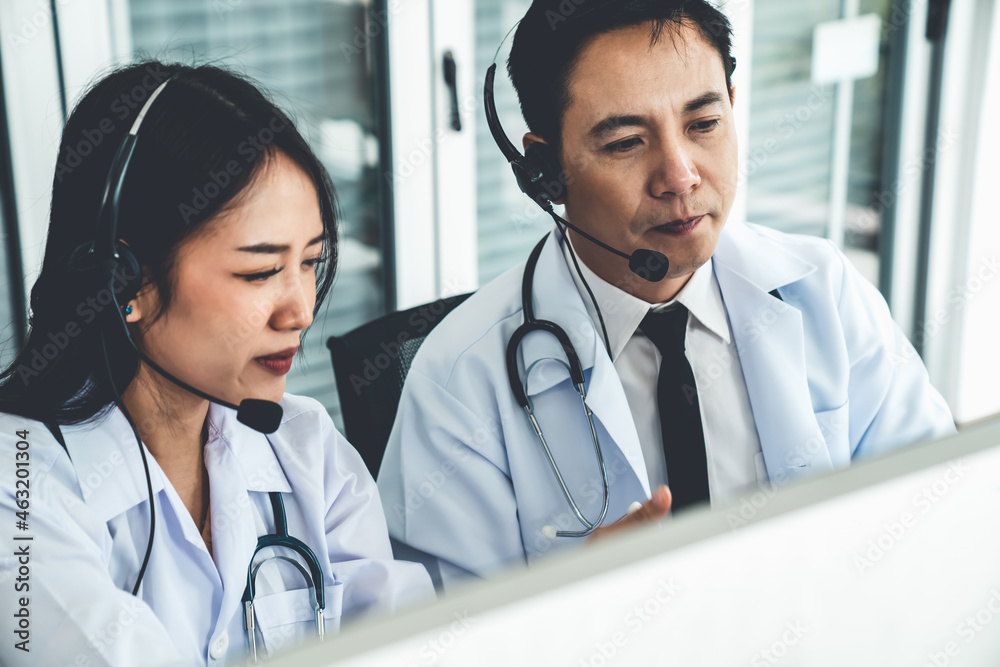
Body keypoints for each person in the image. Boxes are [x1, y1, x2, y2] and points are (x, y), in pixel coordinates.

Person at [377, 0, 956, 590]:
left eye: (703, 125)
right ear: (545, 170)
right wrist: (567, 607)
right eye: (627, 141)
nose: (680, 177)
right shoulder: (459, 383)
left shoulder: (823, 292)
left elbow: (935, 514)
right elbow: (441, 640)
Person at [0, 62, 432, 666]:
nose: (301, 310)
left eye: (310, 262)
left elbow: (411, 645)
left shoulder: (306, 447)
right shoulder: (18, 488)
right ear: (124, 279)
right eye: (259, 272)